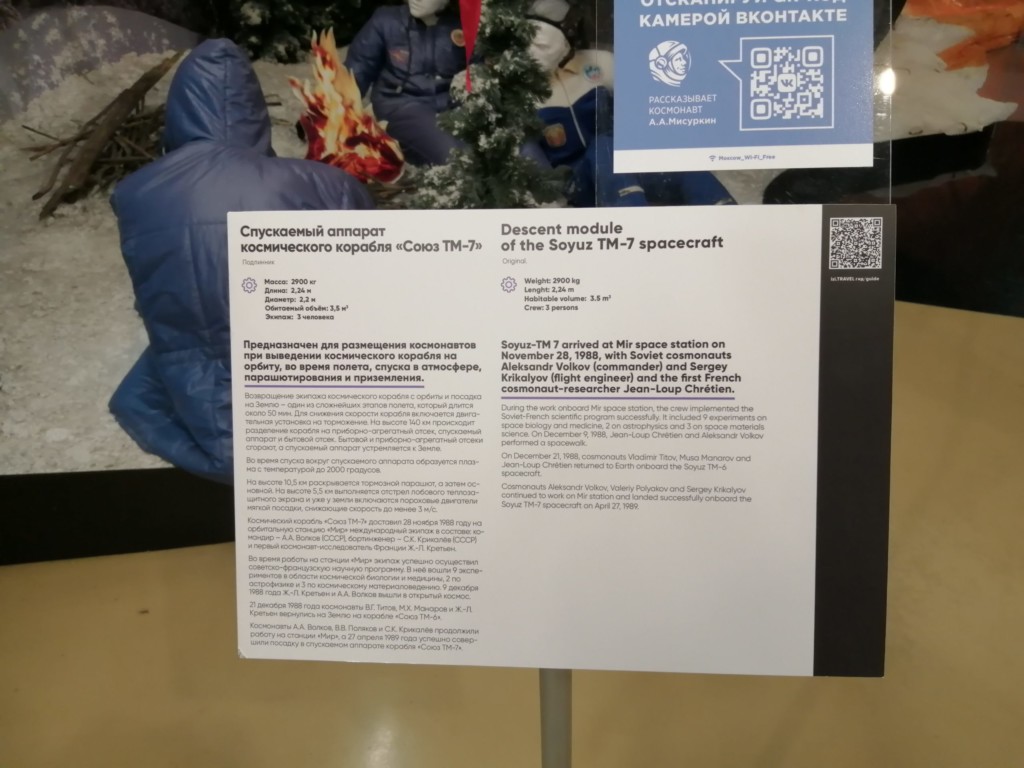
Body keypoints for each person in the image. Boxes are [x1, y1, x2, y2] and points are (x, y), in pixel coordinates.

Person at [108, 39, 374, 484]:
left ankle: (223, 455)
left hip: (190, 373)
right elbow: (372, 280)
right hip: (298, 374)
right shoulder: (327, 184)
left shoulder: (135, 192)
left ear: (180, 109)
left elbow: (153, 290)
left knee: (140, 394)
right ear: (254, 110)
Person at [527, 0, 735, 207]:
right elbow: (530, 157)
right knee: (603, 147)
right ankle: (631, 211)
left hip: (627, 165)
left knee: (679, 164)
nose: (537, 53)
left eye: (543, 46)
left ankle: (723, 208)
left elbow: (643, 106)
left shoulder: (598, 63)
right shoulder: (521, 95)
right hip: (581, 182)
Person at [344, 0, 469, 166]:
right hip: (402, 103)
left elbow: (480, 69)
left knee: (483, 150)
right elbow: (356, 71)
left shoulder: (464, 23)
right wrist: (331, 114)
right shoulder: (387, 21)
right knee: (453, 154)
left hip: (453, 105)